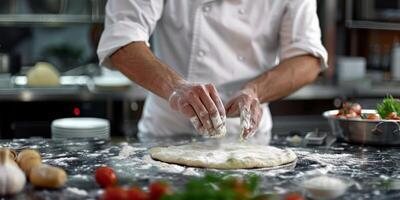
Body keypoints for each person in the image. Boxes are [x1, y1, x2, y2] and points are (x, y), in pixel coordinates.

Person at [97, 0, 328, 144]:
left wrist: (255, 91)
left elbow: (307, 58)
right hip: (169, 133)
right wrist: (176, 88)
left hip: (248, 140)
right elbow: (122, 39)